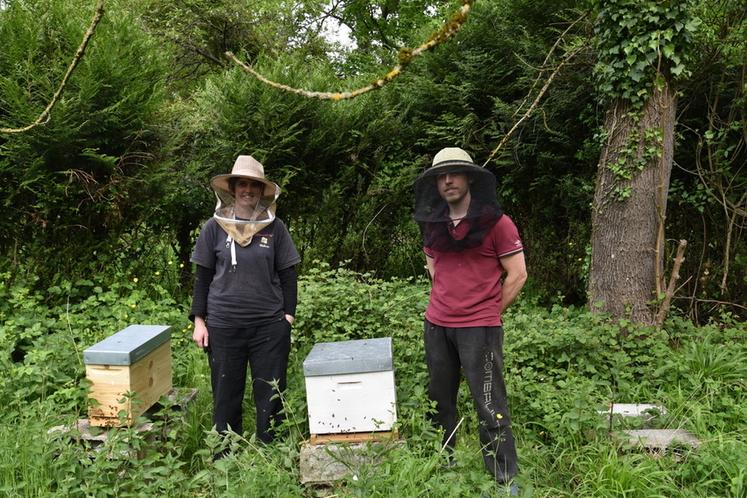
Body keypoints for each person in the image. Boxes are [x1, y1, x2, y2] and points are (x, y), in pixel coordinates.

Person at [413, 147, 527, 494]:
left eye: (454, 173)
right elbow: (433, 267)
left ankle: (505, 479)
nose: (448, 180)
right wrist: (446, 303)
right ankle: (443, 466)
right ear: (435, 183)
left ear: (468, 178)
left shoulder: (498, 223)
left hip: (479, 328)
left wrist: (487, 311)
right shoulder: (433, 223)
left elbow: (518, 274)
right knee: (440, 400)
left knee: (489, 403)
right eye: (441, 176)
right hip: (437, 325)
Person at [190, 155, 300, 445]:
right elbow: (202, 277)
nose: (247, 190)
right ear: (233, 188)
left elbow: (289, 275)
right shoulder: (213, 228)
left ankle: (272, 451)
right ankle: (226, 452)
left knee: (271, 393)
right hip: (224, 326)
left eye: (254, 185)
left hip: (268, 327)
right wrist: (199, 321)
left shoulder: (276, 228)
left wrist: (287, 317)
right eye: (242, 184)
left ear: (262, 191)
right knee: (226, 393)